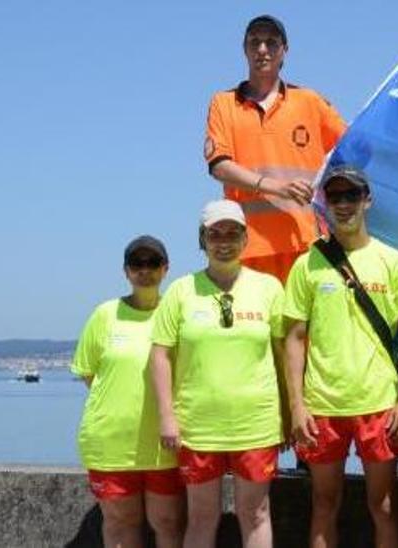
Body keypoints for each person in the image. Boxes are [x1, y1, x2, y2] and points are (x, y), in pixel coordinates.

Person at [283, 165, 398, 548]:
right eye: (335, 197)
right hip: (322, 405)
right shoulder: (306, 264)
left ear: (367, 201)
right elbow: (294, 338)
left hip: (379, 403)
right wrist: (297, 405)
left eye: (351, 196)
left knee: (384, 506)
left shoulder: (392, 262)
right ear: (324, 203)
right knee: (324, 503)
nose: (343, 205)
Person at [149, 200, 286, 548]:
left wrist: (289, 413)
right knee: (201, 517)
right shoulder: (181, 291)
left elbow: (284, 355)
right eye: (215, 234)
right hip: (198, 426)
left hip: (255, 423)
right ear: (202, 239)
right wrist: (167, 416)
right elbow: (160, 354)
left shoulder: (268, 287)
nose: (223, 241)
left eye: (232, 233)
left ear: (245, 238)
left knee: (255, 513)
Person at [204, 14, 348, 283]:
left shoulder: (310, 102)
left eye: (271, 43)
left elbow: (356, 149)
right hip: (247, 246)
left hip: (305, 243)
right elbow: (219, 166)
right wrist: (277, 187)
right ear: (244, 50)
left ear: (284, 51)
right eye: (254, 42)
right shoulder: (223, 103)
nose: (262, 50)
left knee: (305, 326)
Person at [72, 236, 184, 548]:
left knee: (168, 523)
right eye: (137, 263)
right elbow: (88, 373)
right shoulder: (105, 314)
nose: (144, 270)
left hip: (164, 445)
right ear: (126, 271)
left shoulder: (177, 313)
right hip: (112, 444)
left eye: (152, 263)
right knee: (121, 526)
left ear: (165, 269)